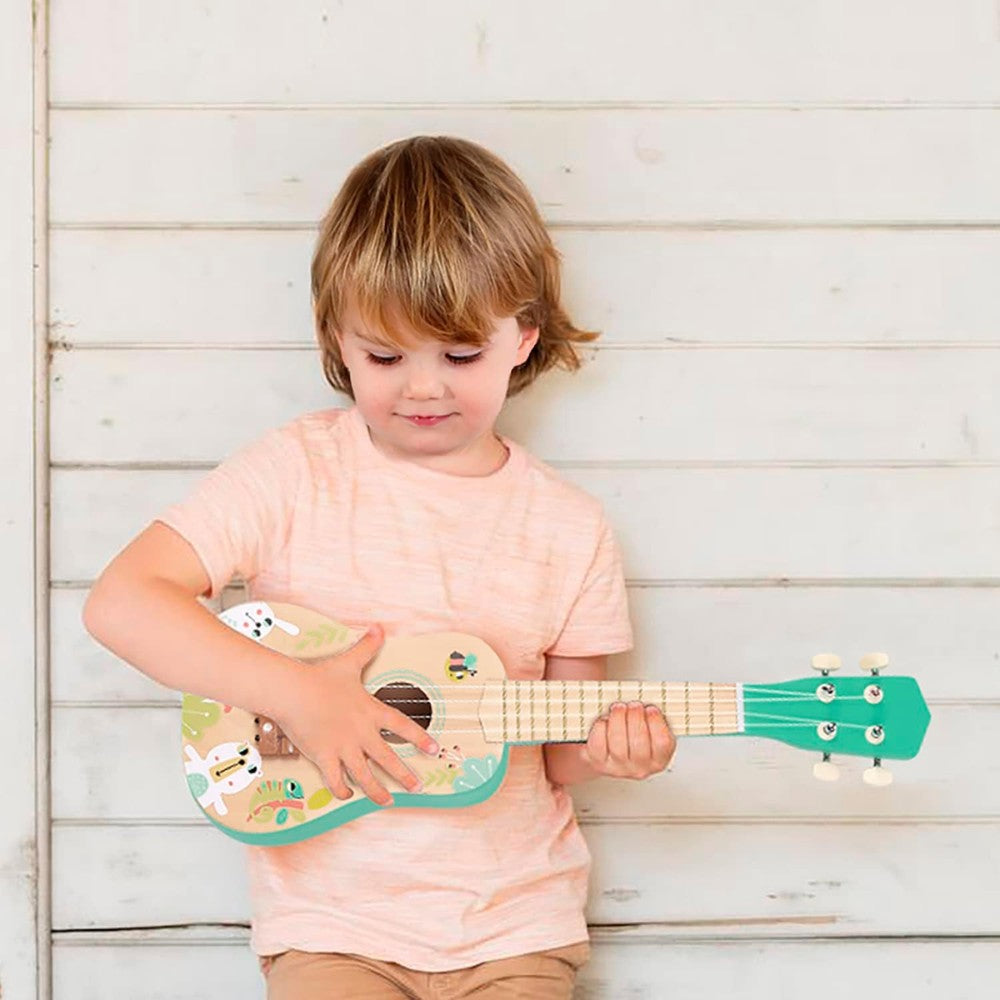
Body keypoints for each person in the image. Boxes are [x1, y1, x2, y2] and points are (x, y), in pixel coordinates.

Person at [82, 134, 677, 999]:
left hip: (515, 925)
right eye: (386, 357)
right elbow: (123, 602)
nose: (424, 388)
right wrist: (300, 696)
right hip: (333, 930)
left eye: (462, 355)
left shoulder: (569, 529)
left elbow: (556, 753)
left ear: (525, 336)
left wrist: (616, 748)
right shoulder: (294, 473)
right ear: (337, 339)